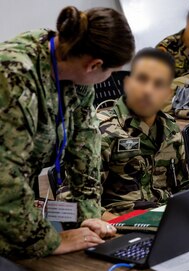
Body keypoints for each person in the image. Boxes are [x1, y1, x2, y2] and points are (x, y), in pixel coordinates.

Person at [0, 6, 135, 258]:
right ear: (94, 65)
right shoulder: (13, 76)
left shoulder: (72, 68)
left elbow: (85, 146)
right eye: (110, 73)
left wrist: (88, 217)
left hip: (16, 204)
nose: (107, 79)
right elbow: (5, 178)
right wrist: (49, 241)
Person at [98, 48, 189, 219]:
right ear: (127, 83)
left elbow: (185, 187)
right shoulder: (102, 130)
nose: (148, 90)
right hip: (121, 226)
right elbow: (78, 202)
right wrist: (118, 225)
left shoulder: (171, 129)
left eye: (158, 84)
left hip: (165, 219)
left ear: (168, 94)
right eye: (142, 80)